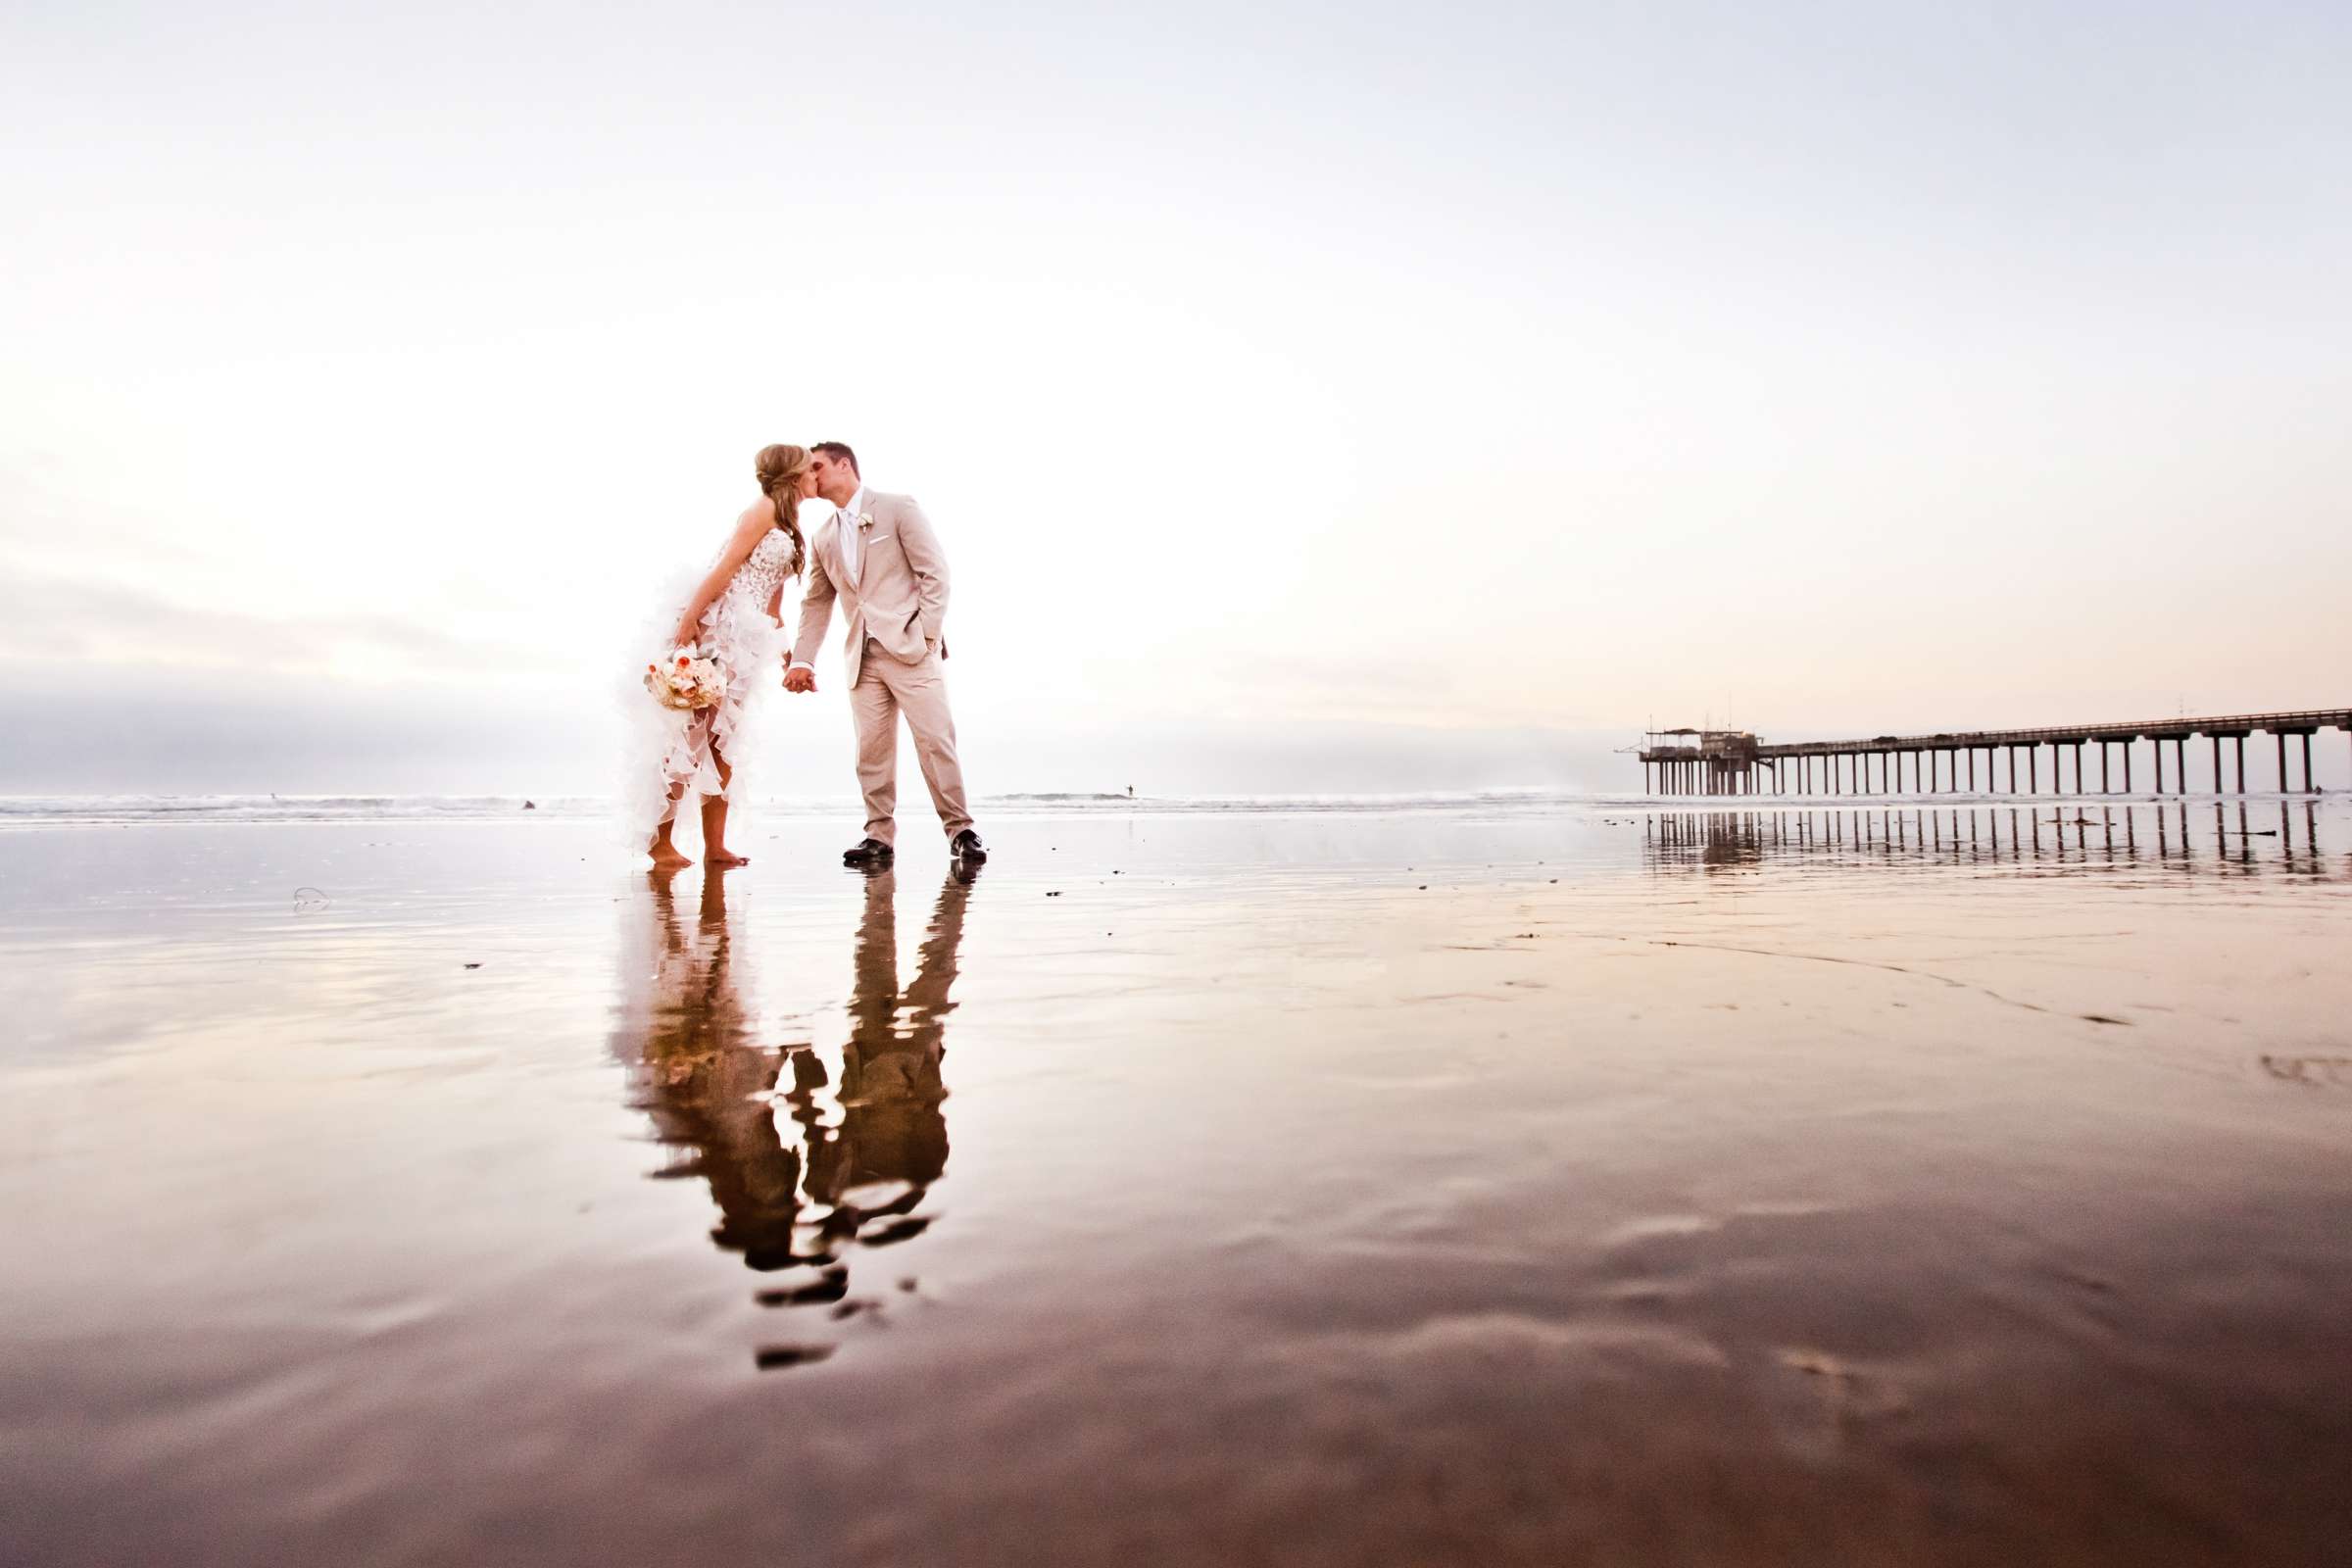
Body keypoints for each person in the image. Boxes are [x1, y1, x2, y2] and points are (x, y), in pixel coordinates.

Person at [784, 441, 986, 867]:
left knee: (935, 740)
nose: (812, 475)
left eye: (817, 466)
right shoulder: (823, 537)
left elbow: (935, 574)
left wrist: (926, 634)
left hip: (912, 647)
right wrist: (803, 659)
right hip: (862, 656)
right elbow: (817, 602)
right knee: (871, 751)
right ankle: (878, 837)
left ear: (844, 465)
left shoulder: (898, 508)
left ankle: (961, 831)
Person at [639, 444, 815, 868]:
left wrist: (788, 656)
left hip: (750, 644)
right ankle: (658, 842)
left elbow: (774, 607)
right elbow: (722, 569)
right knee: (690, 736)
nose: (816, 476)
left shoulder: (791, 527)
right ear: (793, 474)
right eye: (811, 469)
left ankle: (715, 847)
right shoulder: (761, 510)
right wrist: (689, 623)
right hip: (720, 631)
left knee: (723, 744)